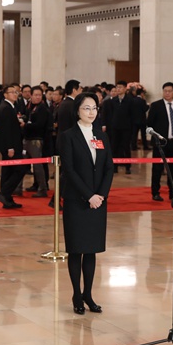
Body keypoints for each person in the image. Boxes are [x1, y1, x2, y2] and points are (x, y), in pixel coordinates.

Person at [60, 92, 114, 315]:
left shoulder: (101, 136)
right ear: (77, 111)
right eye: (86, 108)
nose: (91, 113)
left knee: (91, 250)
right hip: (77, 201)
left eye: (94, 108)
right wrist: (88, 196)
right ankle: (76, 295)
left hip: (98, 202)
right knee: (76, 250)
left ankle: (88, 294)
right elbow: (69, 170)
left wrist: (101, 195)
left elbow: (108, 167)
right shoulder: (68, 136)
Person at [146, 82, 173, 202]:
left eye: (170, 91)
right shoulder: (156, 105)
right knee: (157, 169)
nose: (167, 93)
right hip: (161, 143)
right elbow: (149, 123)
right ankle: (155, 192)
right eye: (165, 91)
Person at [0, 84, 25, 209]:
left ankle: (7, 199)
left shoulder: (10, 106)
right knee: (19, 170)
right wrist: (10, 147)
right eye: (12, 92)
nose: (15, 94)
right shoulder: (6, 108)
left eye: (16, 92)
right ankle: (4, 193)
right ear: (5, 94)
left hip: (11, 145)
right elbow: (6, 130)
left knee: (8, 172)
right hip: (10, 146)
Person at [23, 86, 52, 197]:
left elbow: (40, 125)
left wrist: (25, 125)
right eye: (35, 95)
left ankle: (42, 188)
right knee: (27, 165)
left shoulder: (42, 108)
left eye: (40, 95)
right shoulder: (30, 106)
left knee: (38, 165)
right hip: (29, 138)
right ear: (31, 95)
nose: (38, 97)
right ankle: (35, 185)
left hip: (37, 140)